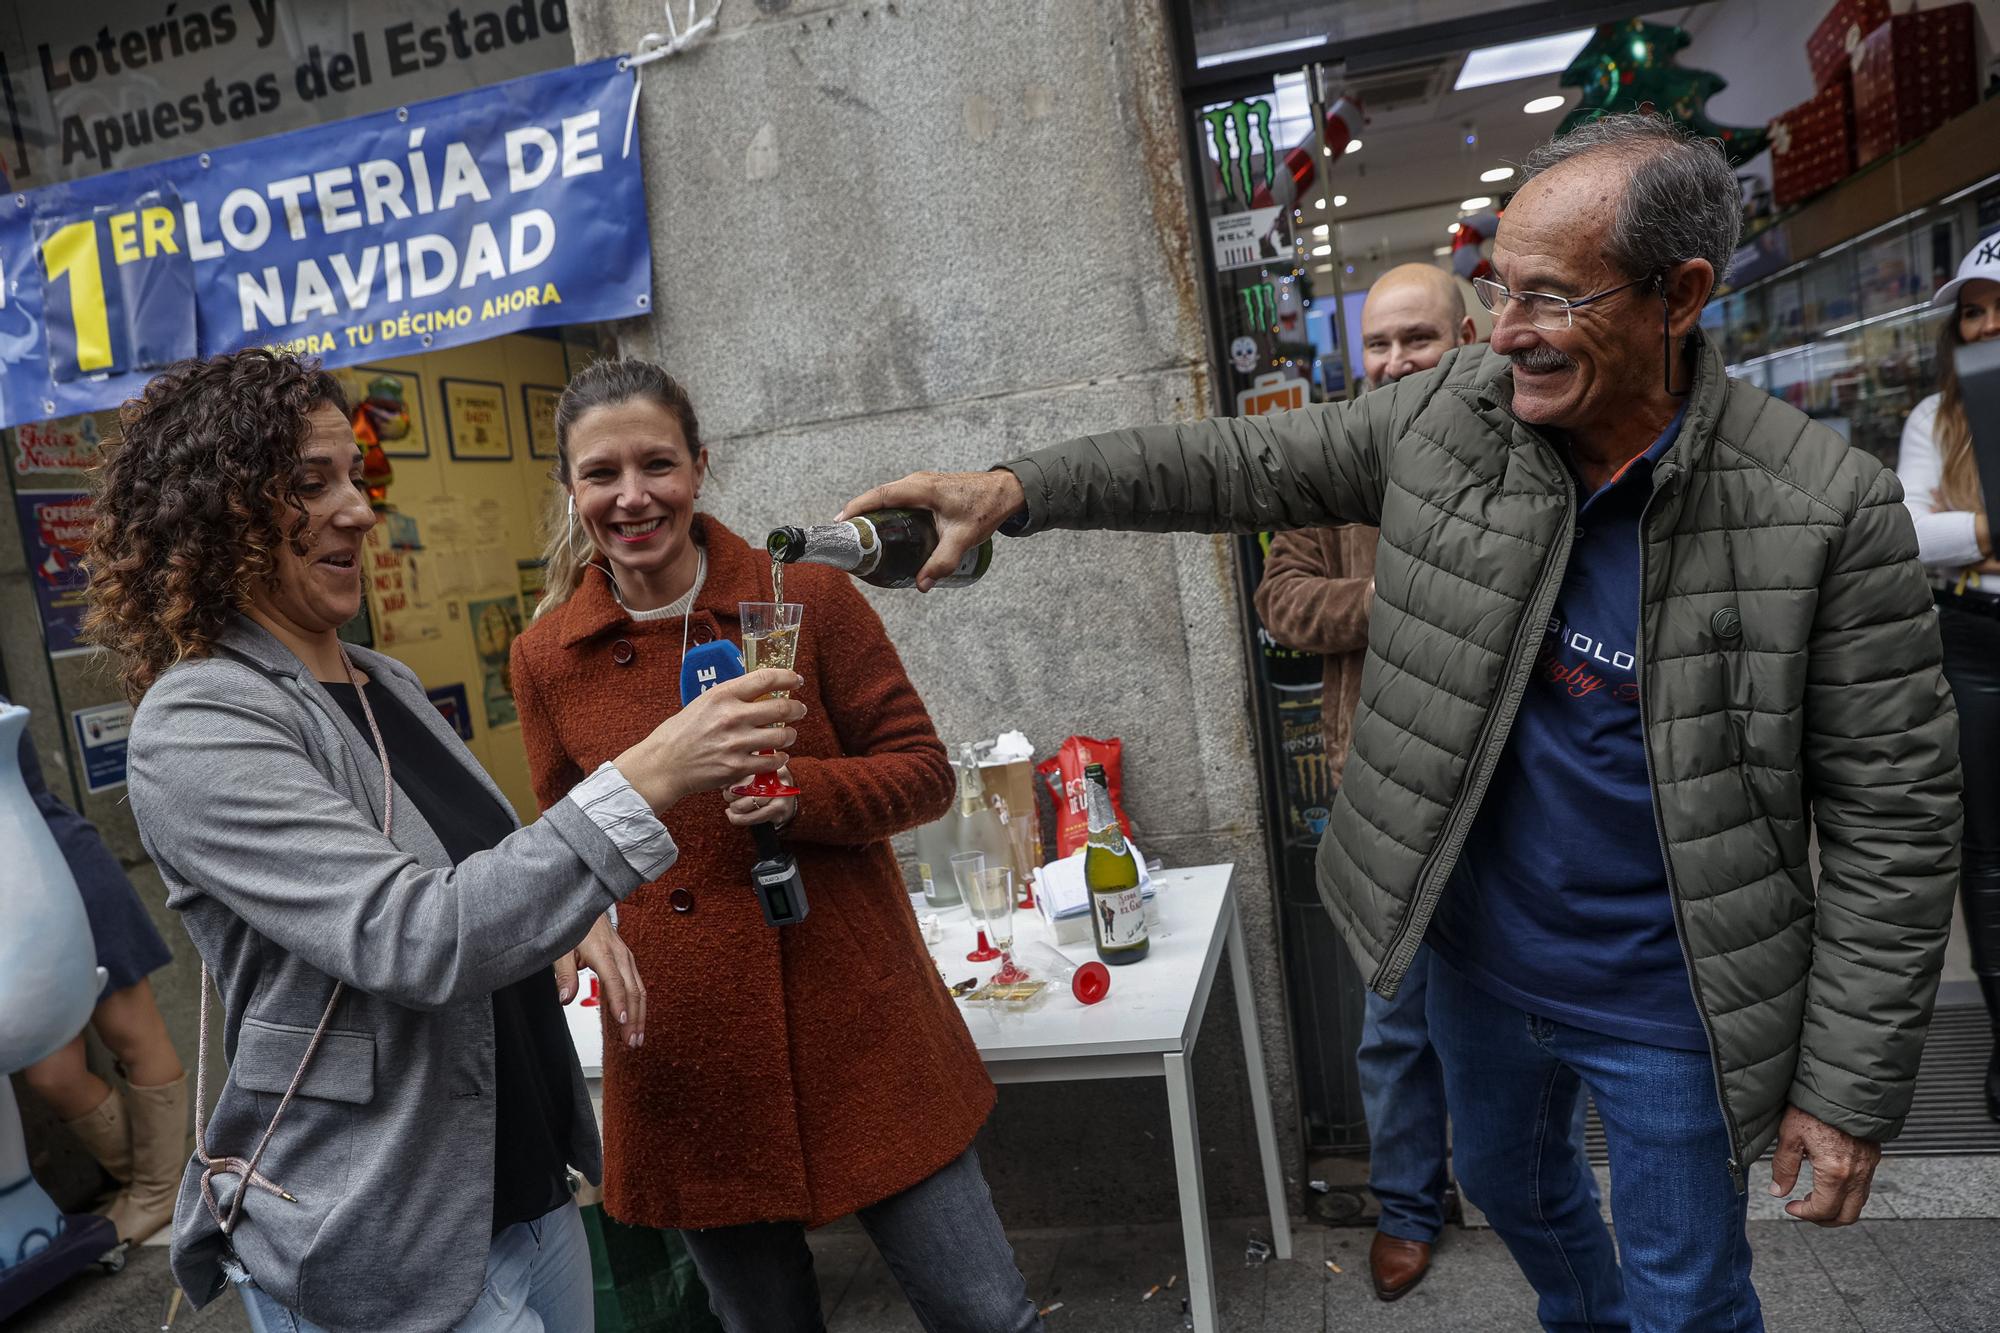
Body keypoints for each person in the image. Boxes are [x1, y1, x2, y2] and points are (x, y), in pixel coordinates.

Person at [843, 113, 1961, 1331]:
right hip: (1476, 959)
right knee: (1506, 1188)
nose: (1507, 333)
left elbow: (1891, 818)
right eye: (1496, 290)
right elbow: (1230, 464)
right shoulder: (1455, 416)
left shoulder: (1821, 509)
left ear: (1677, 295)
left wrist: (1845, 1092)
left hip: (1668, 1002)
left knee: (1687, 1296)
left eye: (1550, 298)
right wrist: (1013, 491)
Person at [88, 348, 803, 1333]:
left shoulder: (383, 684)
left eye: (354, 477)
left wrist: (562, 917)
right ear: (217, 513)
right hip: (388, 1231)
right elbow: (410, 933)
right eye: (310, 484)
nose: (358, 512)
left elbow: (465, 870)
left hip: (520, 1188)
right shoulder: (198, 722)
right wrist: (647, 773)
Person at [509, 359, 1042, 1333]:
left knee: (984, 1313)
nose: (632, 496)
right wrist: (579, 927)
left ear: (700, 466)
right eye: (600, 473)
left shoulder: (807, 598)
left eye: (657, 463)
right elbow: (557, 835)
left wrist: (794, 791)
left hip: (861, 1022)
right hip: (686, 1053)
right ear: (570, 488)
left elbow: (923, 772)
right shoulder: (545, 657)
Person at [1256, 262, 1590, 1304]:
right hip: (1385, 787)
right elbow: (1284, 602)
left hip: (1519, 788)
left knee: (1541, 1009)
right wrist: (1408, 596)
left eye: (1417, 338)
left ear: (1468, 336)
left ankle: (1536, 1182)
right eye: (1379, 344)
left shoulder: (1534, 441)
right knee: (1393, 1023)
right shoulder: (1331, 463)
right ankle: (1407, 1205)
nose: (1396, 360)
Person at [9, 698, 187, 1245]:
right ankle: (157, 1186)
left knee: (133, 1035)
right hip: (10, 898)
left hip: (51, 859)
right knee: (51, 1072)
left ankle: (159, 1194)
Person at [1895, 235, 2000, 1122]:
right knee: (1988, 855)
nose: (1985, 323)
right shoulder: (1936, 419)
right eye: (1973, 309)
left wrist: (1960, 523)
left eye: (1998, 306)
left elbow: (1939, 527)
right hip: (1973, 637)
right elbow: (1907, 533)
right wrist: (1987, 530)